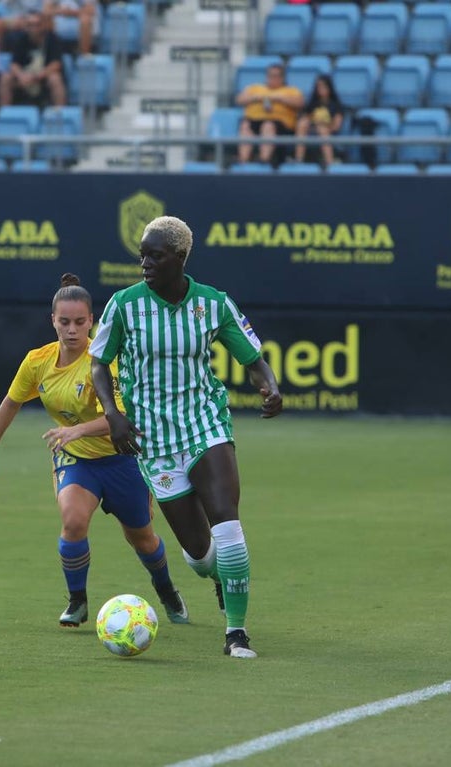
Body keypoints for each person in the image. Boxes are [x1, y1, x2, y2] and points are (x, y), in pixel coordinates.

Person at [89, 216, 283, 660]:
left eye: (154, 255)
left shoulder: (213, 304)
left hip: (205, 425)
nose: (145, 262)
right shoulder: (124, 305)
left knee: (228, 527)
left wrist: (269, 386)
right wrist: (113, 415)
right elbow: (100, 363)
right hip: (153, 440)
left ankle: (236, 633)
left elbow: (253, 357)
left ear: (179, 257)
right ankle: (218, 578)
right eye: (142, 253)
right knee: (198, 555)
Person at [0, 273, 190, 628]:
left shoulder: (104, 361)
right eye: (64, 322)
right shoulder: (37, 362)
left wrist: (76, 430)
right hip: (76, 460)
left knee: (142, 537)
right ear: (53, 321)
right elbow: (11, 402)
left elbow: (122, 419)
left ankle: (166, 590)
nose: (71, 329)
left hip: (121, 458)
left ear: (92, 321)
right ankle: (77, 601)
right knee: (73, 521)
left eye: (79, 321)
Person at [235, 63, 303, 167]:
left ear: (282, 77)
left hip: (280, 125)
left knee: (268, 125)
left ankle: (264, 161)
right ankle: (243, 162)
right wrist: (256, 98)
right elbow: (239, 100)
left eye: (276, 76)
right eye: (271, 76)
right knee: (245, 125)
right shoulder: (255, 88)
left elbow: (300, 103)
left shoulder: (290, 90)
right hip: (254, 120)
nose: (273, 78)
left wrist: (279, 98)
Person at [0, 10, 64, 108]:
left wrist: (36, 76)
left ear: (43, 25)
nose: (34, 28)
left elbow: (56, 64)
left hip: (43, 78)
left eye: (37, 25)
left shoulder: (53, 39)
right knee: (5, 78)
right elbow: (14, 64)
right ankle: (5, 114)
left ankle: (60, 113)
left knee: (55, 79)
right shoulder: (21, 40)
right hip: (24, 78)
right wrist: (21, 75)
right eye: (30, 25)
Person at [294, 74, 345, 167]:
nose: (320, 88)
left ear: (329, 87)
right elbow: (305, 118)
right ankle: (298, 159)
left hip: (328, 131)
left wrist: (324, 125)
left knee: (322, 129)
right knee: (302, 123)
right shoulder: (312, 104)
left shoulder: (336, 106)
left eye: (323, 86)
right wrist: (310, 121)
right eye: (318, 86)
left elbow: (336, 126)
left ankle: (330, 162)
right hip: (311, 130)